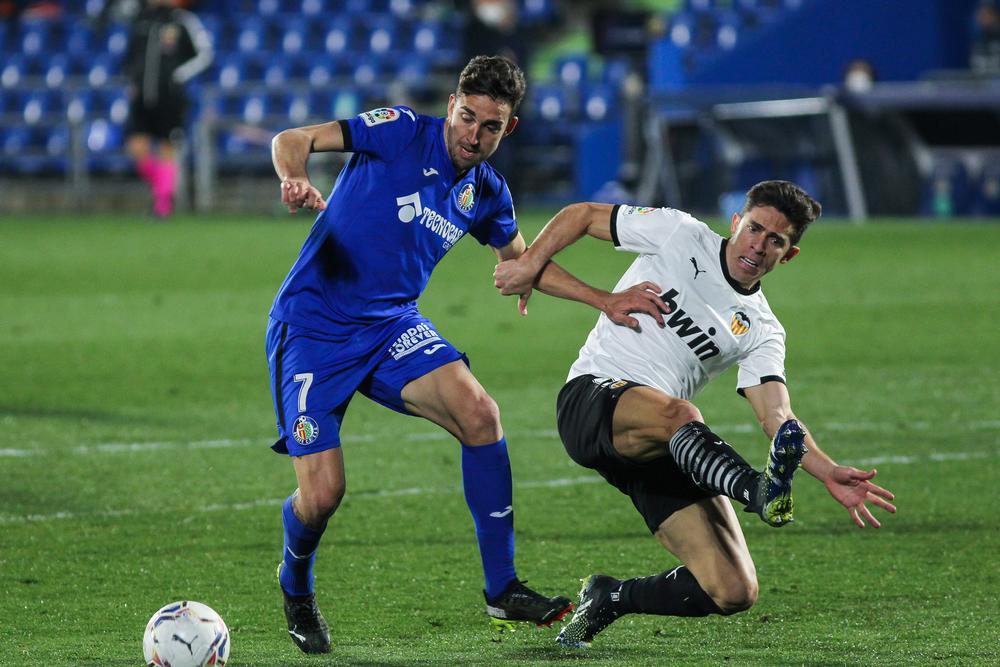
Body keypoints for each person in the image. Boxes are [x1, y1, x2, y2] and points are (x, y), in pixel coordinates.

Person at [266, 55, 583, 655]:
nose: (475, 135)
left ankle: (501, 588)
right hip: (313, 327)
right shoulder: (399, 131)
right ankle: (296, 585)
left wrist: (606, 300)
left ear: (508, 128)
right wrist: (293, 175)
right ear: (452, 105)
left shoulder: (486, 191)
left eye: (491, 127)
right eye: (468, 118)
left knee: (481, 414)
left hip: (391, 328)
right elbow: (294, 137)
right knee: (322, 496)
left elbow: (521, 261)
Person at [492, 181, 898, 648]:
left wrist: (825, 469)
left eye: (775, 241)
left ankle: (611, 598)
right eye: (754, 229)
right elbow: (582, 215)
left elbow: (776, 414)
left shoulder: (762, 329)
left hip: (664, 442)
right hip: (593, 399)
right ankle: (758, 490)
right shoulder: (679, 232)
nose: (758, 246)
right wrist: (529, 261)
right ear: (736, 223)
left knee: (733, 589)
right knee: (681, 411)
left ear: (789, 255)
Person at [123, 0, 212, 218]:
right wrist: (132, 80)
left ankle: (162, 205)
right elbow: (131, 56)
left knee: (166, 147)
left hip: (170, 98)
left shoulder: (182, 20)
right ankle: (163, 188)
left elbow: (204, 54)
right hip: (141, 96)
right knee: (136, 148)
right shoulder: (140, 19)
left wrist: (178, 75)